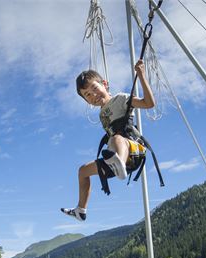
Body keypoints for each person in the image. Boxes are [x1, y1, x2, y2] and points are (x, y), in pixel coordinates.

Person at [61, 59, 155, 222]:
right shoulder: (101, 114)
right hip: (116, 157)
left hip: (133, 150)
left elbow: (149, 103)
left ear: (105, 84)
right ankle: (81, 210)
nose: (93, 95)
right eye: (88, 95)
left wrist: (141, 76)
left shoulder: (121, 98)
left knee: (117, 138)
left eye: (95, 89)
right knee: (83, 171)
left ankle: (119, 161)